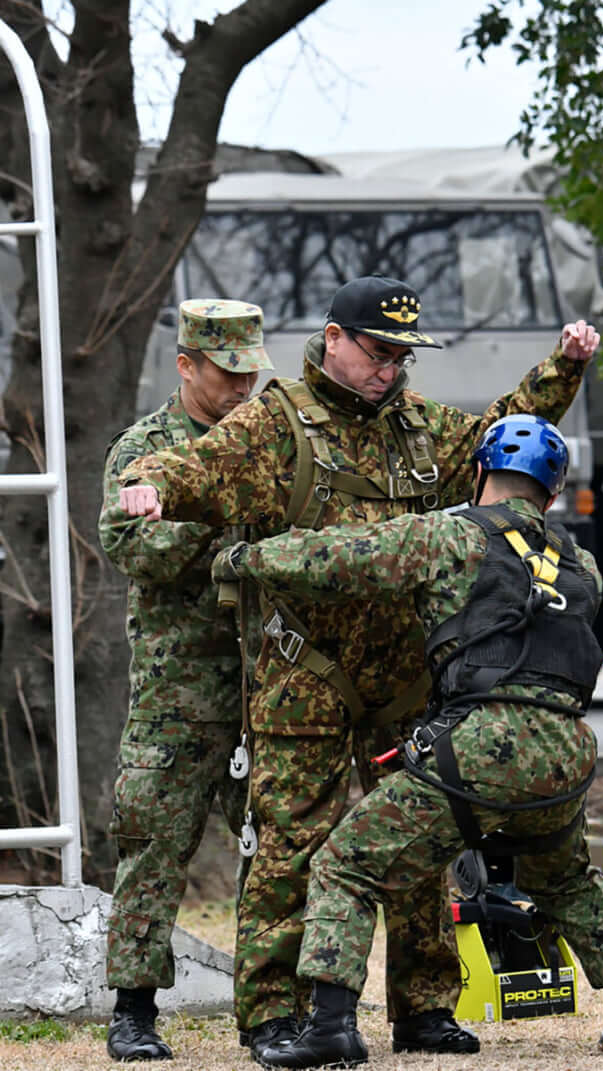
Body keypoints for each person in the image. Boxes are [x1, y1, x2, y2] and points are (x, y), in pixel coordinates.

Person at [116, 274, 599, 1063]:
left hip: (403, 675)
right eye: (378, 351)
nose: (391, 369)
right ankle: (274, 1013)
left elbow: (502, 439)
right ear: (334, 339)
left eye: (403, 355)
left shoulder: (418, 428)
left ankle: (424, 1007)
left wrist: (563, 367)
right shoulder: (275, 423)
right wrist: (150, 488)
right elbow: (196, 467)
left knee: (417, 841)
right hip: (300, 671)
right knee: (290, 843)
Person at [212, 413, 603, 1069]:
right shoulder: (584, 564)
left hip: (481, 745)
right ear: (555, 488)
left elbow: (338, 559)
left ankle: (333, 1024)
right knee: (565, 877)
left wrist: (243, 557)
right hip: (568, 752)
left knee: (345, 862)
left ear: (480, 471)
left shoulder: (449, 537)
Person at [99, 299, 273, 1062]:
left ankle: (272, 1009)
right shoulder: (146, 448)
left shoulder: (269, 439)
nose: (242, 389)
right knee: (152, 848)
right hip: (178, 697)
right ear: (187, 366)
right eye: (227, 375)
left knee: (277, 853)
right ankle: (133, 1010)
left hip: (266, 687)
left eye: (250, 374)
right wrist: (220, 518)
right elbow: (135, 546)